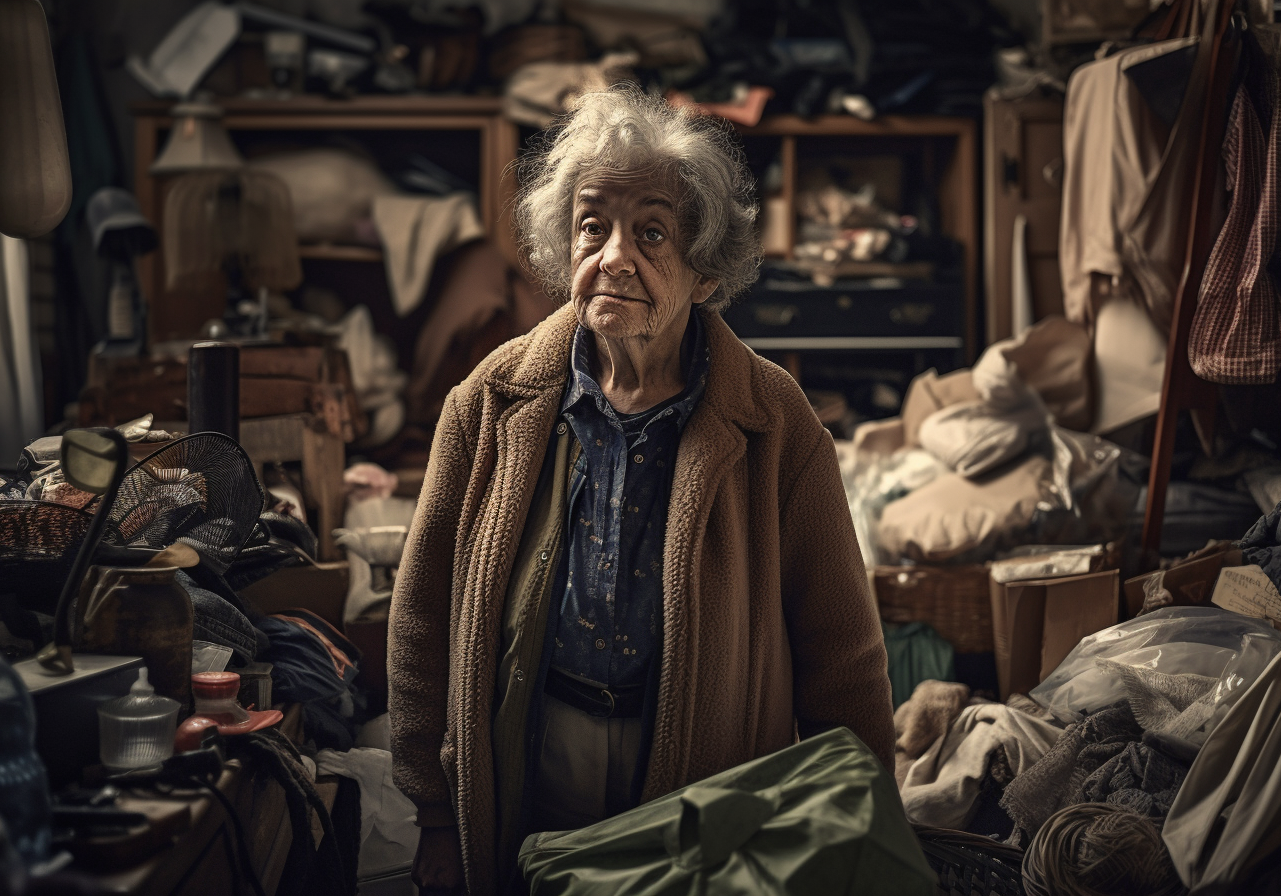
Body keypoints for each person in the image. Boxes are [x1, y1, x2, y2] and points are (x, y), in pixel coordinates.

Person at [388, 86, 895, 896]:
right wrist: (435, 815)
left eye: (650, 232)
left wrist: (865, 828)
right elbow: (421, 618)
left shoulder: (774, 422)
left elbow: (842, 655)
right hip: (531, 749)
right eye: (593, 226)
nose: (613, 255)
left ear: (703, 271)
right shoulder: (488, 402)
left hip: (705, 780)